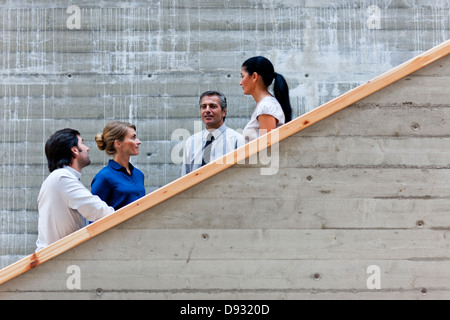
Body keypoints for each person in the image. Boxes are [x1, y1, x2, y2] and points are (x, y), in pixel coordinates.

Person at [36, 129, 114, 251]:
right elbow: (99, 211)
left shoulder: (58, 178)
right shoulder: (62, 178)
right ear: (74, 150)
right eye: (82, 143)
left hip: (58, 258)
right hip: (58, 260)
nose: (87, 148)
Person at [182, 91, 244, 175]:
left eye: (212, 106)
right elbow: (185, 178)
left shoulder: (237, 141)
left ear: (224, 112)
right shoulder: (191, 142)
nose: (207, 110)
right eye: (204, 106)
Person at [91, 121, 145, 210]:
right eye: (133, 137)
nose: (139, 142)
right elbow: (93, 215)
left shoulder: (139, 175)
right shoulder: (104, 177)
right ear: (118, 143)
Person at [240, 56, 292, 143]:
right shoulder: (265, 105)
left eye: (242, 76)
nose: (240, 82)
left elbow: (267, 148)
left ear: (254, 76)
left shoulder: (266, 106)